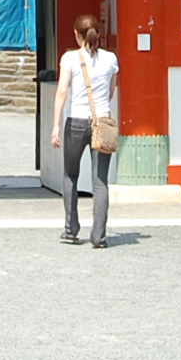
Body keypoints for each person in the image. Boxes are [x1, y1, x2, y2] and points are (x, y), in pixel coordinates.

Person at [50, 13, 119, 247]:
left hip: (77, 121)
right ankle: (99, 236)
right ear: (98, 34)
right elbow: (111, 92)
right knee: (100, 181)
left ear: (76, 34)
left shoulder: (69, 58)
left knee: (70, 174)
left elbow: (62, 92)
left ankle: (71, 230)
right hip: (102, 121)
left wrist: (56, 125)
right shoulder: (110, 59)